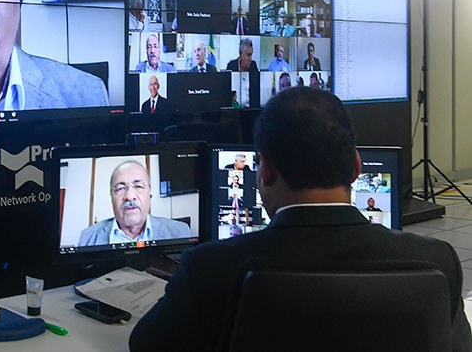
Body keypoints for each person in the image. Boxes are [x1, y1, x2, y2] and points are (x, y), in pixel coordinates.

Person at [129, 87, 472, 351]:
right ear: (356, 167)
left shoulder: (208, 268)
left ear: (264, 170)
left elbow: (144, 345)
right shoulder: (437, 262)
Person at [79, 161, 192, 246]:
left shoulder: (180, 231)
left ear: (150, 193)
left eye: (138, 186)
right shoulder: (88, 237)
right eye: (120, 188)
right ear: (111, 197)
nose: (129, 196)